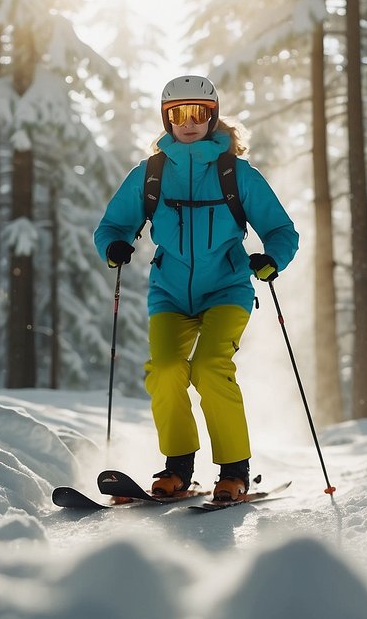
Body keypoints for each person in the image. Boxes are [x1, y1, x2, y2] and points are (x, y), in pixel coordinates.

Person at [94, 75, 299, 502]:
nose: (189, 123)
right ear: (167, 119)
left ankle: (234, 470)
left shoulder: (236, 175)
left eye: (198, 113)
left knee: (210, 367)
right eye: (178, 114)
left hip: (227, 289)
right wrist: (114, 244)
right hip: (169, 293)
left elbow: (281, 230)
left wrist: (270, 259)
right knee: (165, 370)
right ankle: (178, 468)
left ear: (213, 117)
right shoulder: (150, 175)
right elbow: (113, 224)